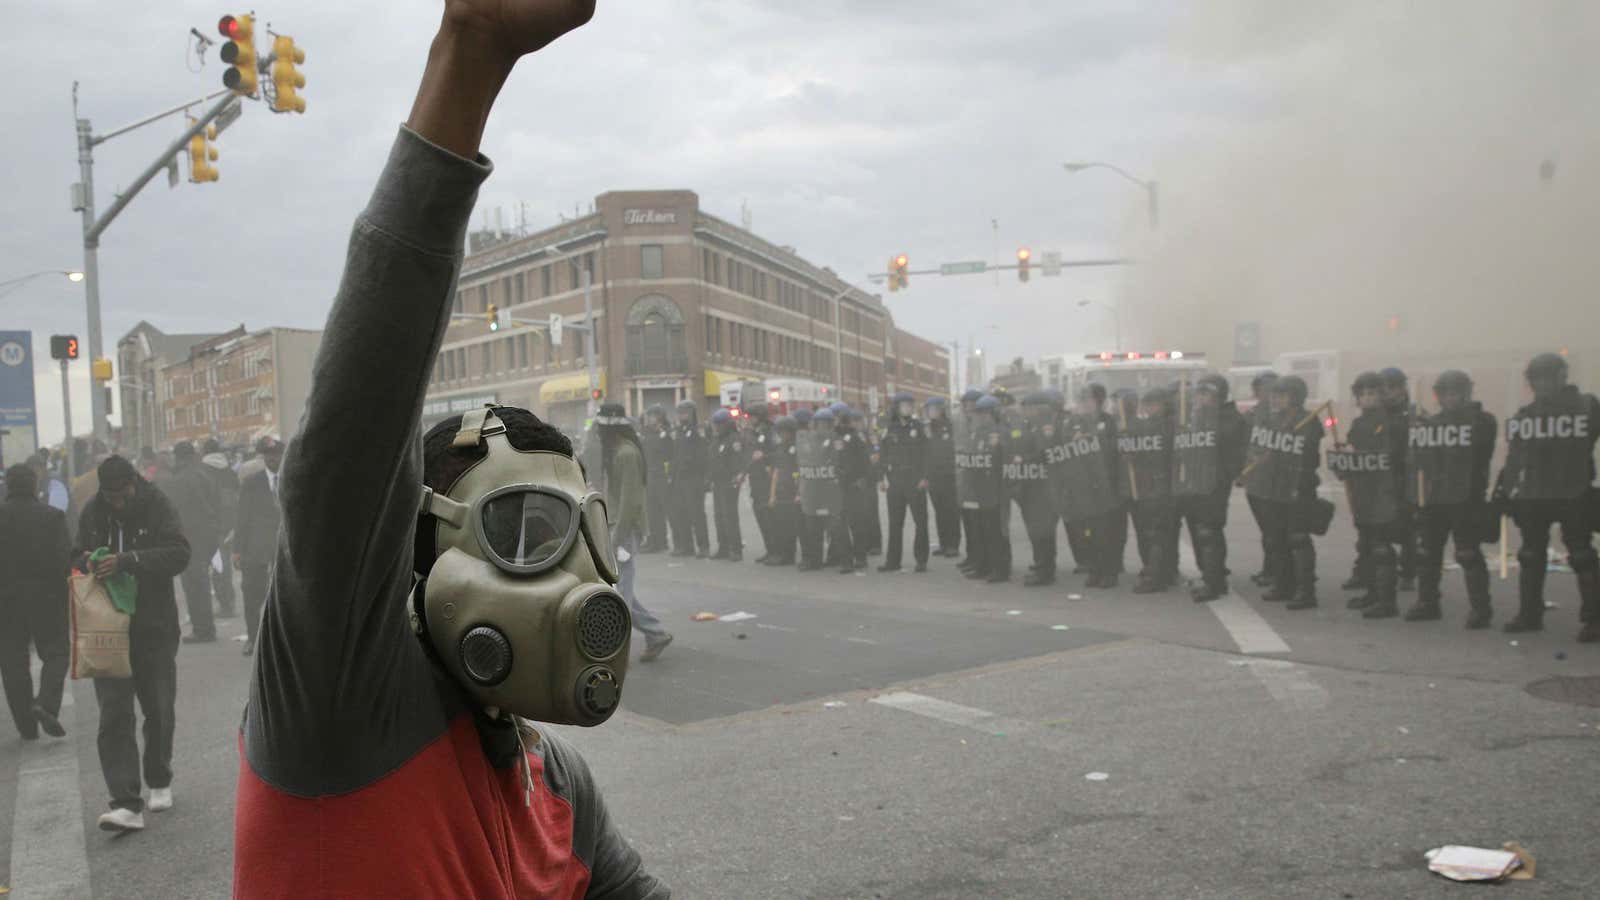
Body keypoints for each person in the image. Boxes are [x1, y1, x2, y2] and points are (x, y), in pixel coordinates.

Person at [233, 6, 668, 893]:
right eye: (521, 531)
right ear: (419, 556)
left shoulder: (556, 788)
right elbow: (348, 446)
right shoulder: (339, 708)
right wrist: (469, 57)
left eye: (583, 534)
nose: (581, 581)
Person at [77, 454, 190, 833]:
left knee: (157, 706)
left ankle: (158, 777)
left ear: (133, 483)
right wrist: (89, 561)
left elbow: (179, 553)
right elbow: (74, 553)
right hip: (108, 627)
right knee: (113, 713)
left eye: (121, 494)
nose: (116, 503)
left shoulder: (157, 504)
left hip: (153, 625)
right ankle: (125, 802)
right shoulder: (94, 511)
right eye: (109, 496)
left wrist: (128, 560)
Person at [1494, 352, 1600, 640]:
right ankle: (1530, 613)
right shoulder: (1526, 416)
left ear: (1562, 376)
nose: (1544, 384)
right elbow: (1515, 458)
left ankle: (1594, 619)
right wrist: (1504, 488)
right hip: (1534, 494)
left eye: (1549, 376)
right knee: (1530, 555)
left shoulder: (1587, 406)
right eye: (1538, 378)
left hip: (1573, 492)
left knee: (1581, 556)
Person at [1408, 370, 1497, 627]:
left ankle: (1481, 609)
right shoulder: (1431, 424)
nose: (1450, 398)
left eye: (1455, 392)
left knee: (1467, 554)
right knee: (1427, 553)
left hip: (1465, 498)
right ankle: (1427, 603)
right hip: (1435, 498)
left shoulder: (1482, 421)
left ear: (1467, 393)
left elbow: (1480, 450)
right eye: (1445, 393)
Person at [594, 404, 674, 662]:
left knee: (620, 596)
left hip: (624, 530)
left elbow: (630, 501)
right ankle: (656, 633)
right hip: (617, 526)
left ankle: (614, 653)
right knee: (622, 590)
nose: (597, 432)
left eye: (601, 427)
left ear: (610, 428)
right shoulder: (616, 451)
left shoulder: (626, 454)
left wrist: (617, 538)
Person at [0, 464, 73, 741]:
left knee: (12, 661)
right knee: (56, 653)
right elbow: (65, 559)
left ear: (8, 485)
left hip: (5, 601)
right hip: (48, 598)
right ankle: (45, 704)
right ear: (34, 485)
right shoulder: (51, 516)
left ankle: (26, 726)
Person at [1331, 373, 1407, 619]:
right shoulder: (1359, 424)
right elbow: (1354, 452)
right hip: (1363, 490)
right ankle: (1373, 593)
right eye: (1362, 394)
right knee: (1367, 544)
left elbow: (1397, 458)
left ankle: (1387, 601)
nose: (1367, 398)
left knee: (1381, 547)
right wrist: (1343, 457)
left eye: (1372, 393)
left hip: (1385, 491)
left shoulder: (1394, 423)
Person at [1246, 376, 1325, 610]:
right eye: (1274, 396)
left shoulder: (1308, 421)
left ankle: (1305, 590)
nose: (1276, 400)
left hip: (1298, 486)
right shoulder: (1269, 420)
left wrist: (1288, 438)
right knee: (1276, 537)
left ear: (1296, 398)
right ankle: (1283, 584)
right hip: (1272, 486)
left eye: (1282, 396)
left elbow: (1309, 454)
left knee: (1298, 539)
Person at [1173, 374, 1249, 602]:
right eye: (1200, 394)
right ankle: (1210, 576)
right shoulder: (1196, 417)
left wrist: (1224, 474)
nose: (1202, 399)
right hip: (1195, 482)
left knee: (1209, 531)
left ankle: (1214, 583)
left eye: (1207, 394)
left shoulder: (1229, 419)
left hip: (1214, 483)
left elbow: (1234, 453)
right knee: (1199, 530)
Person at [1052, 387, 1123, 589]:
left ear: (1099, 401)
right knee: (1087, 533)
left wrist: (1092, 442)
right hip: (1080, 487)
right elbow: (1063, 449)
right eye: (1082, 399)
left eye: (1089, 399)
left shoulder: (1108, 422)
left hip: (1102, 486)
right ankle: (1094, 569)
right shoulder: (1073, 423)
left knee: (1105, 533)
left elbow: (1113, 450)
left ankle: (1109, 572)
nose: (1085, 403)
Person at [163, 441, 222, 643]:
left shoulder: (180, 480)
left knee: (193, 583)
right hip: (207, 533)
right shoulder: (204, 475)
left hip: (189, 536)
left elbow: (175, 513)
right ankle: (205, 627)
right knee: (201, 580)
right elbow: (216, 502)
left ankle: (202, 629)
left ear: (179, 457)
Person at [1121, 388, 1177, 593]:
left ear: (1164, 406)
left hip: (1162, 485)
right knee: (1151, 532)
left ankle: (1156, 576)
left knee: (1157, 533)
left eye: (1154, 404)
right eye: (1147, 404)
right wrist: (1130, 453)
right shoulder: (1144, 426)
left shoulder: (1171, 427)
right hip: (1148, 486)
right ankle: (1160, 571)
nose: (1150, 409)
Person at [233, 436, 283, 657]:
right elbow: (242, 516)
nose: (273, 458)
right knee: (252, 594)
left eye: (276, 454)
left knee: (283, 596)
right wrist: (237, 549)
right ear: (264, 457)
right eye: (269, 455)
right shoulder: (252, 483)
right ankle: (253, 639)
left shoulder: (293, 479)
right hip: (255, 548)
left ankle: (281, 641)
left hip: (284, 548)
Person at [878, 392, 930, 573]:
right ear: (897, 407)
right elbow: (882, 455)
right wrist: (881, 478)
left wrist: (925, 477)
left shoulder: (919, 427)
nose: (908, 407)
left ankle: (921, 559)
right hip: (895, 480)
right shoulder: (889, 429)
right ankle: (893, 561)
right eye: (905, 405)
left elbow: (927, 454)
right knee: (895, 523)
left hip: (915, 480)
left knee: (921, 521)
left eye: (910, 405)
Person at [1379, 367, 1419, 592]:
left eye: (1393, 387)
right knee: (1376, 529)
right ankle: (1374, 572)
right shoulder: (1375, 415)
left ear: (1402, 388)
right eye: (1384, 388)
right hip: (1380, 480)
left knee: (1408, 530)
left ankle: (1408, 573)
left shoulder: (1413, 415)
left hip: (1405, 478)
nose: (1388, 393)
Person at [1016, 391, 1061, 586]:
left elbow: (1044, 453)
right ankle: (1040, 563)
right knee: (1035, 529)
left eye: (1027, 408)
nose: (1024, 411)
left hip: (1043, 486)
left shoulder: (1045, 426)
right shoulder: (1030, 425)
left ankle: (1045, 570)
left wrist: (1023, 460)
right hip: (1031, 485)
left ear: (1036, 409)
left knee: (1043, 529)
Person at [965, 395, 1011, 583]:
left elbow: (1005, 460)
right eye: (979, 413)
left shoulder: (1001, 432)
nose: (982, 417)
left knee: (997, 531)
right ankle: (984, 566)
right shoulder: (977, 433)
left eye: (985, 413)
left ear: (994, 413)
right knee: (982, 530)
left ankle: (1001, 569)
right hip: (980, 489)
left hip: (996, 488)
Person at [799, 408, 849, 572]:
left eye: (825, 424)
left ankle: (846, 561)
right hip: (813, 490)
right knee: (813, 528)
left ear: (830, 425)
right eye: (819, 424)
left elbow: (840, 461)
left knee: (837, 529)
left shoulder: (837, 440)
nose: (822, 427)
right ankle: (815, 561)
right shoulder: (808, 440)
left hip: (830, 491)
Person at [1245, 370, 1280, 589]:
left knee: (1274, 529)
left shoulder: (1284, 416)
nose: (1266, 394)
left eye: (1271, 390)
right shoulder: (1250, 416)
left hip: (1277, 479)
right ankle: (1270, 569)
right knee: (1267, 529)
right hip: (1255, 478)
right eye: (1262, 389)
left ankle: (1276, 570)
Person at [202, 438, 240, 618]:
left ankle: (225, 604)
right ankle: (228, 602)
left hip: (211, 525)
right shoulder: (229, 471)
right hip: (229, 524)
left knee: (217, 566)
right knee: (224, 565)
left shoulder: (203, 471)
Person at [668, 400, 710, 558]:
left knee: (696, 514)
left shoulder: (697, 431)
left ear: (692, 413)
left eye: (684, 412)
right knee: (681, 512)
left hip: (694, 478)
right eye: (679, 412)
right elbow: (675, 455)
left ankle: (703, 546)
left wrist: (700, 473)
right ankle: (687, 546)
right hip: (680, 479)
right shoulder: (679, 431)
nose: (681, 416)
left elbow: (703, 455)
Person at [835, 408, 872, 573]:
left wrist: (862, 479)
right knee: (842, 525)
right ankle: (847, 560)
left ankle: (859, 557)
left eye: (842, 421)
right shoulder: (833, 437)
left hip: (852, 485)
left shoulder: (855, 438)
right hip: (840, 486)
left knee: (855, 524)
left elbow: (865, 462)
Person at [954, 389, 986, 574]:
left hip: (976, 477)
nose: (968, 407)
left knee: (977, 523)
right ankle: (972, 556)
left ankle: (980, 559)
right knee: (967, 520)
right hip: (962, 476)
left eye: (971, 403)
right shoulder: (958, 419)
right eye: (966, 403)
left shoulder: (981, 421)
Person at [924, 397, 961, 558]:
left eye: (934, 408)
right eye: (929, 409)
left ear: (942, 409)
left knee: (951, 510)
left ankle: (953, 545)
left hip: (949, 474)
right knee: (939, 510)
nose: (931, 411)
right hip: (933, 475)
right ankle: (944, 543)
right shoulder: (927, 428)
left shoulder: (950, 426)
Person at [708, 408, 745, 561]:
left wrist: (737, 476)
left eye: (719, 424)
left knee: (730, 516)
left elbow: (737, 460)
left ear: (726, 424)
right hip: (717, 482)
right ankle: (723, 547)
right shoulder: (716, 439)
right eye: (715, 424)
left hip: (729, 482)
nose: (716, 427)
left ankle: (735, 549)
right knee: (719, 516)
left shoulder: (733, 439)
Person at [765, 415, 801, 567]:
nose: (781, 435)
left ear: (791, 432)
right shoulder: (779, 448)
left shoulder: (798, 448)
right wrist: (772, 495)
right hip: (780, 491)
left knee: (793, 526)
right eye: (779, 432)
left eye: (784, 432)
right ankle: (782, 554)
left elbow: (801, 471)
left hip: (793, 491)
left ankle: (789, 555)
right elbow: (776, 472)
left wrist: (799, 493)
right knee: (781, 525)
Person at [744, 402, 777, 562]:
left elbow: (777, 453)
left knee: (770, 517)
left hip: (767, 480)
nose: (750, 419)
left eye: (753, 416)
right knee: (761, 516)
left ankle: (776, 551)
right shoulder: (752, 432)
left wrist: (764, 457)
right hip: (755, 479)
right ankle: (770, 549)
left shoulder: (770, 432)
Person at [638, 404, 673, 553]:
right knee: (651, 510)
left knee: (663, 509)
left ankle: (663, 540)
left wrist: (663, 434)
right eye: (649, 415)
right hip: (648, 475)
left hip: (661, 475)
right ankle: (654, 540)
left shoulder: (666, 432)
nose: (651, 418)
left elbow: (670, 453)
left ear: (660, 417)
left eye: (654, 415)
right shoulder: (645, 432)